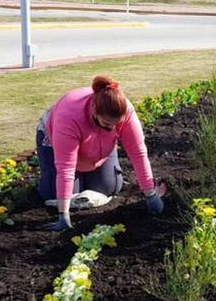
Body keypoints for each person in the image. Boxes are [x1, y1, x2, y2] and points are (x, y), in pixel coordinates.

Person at [36, 76, 164, 230]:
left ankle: (85, 174)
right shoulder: (69, 118)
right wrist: (63, 216)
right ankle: (58, 179)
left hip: (96, 148)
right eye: (107, 124)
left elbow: (138, 154)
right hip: (55, 140)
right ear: (95, 111)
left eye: (116, 124)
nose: (112, 128)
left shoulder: (125, 111)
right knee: (55, 196)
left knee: (108, 187)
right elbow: (65, 169)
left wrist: (151, 195)